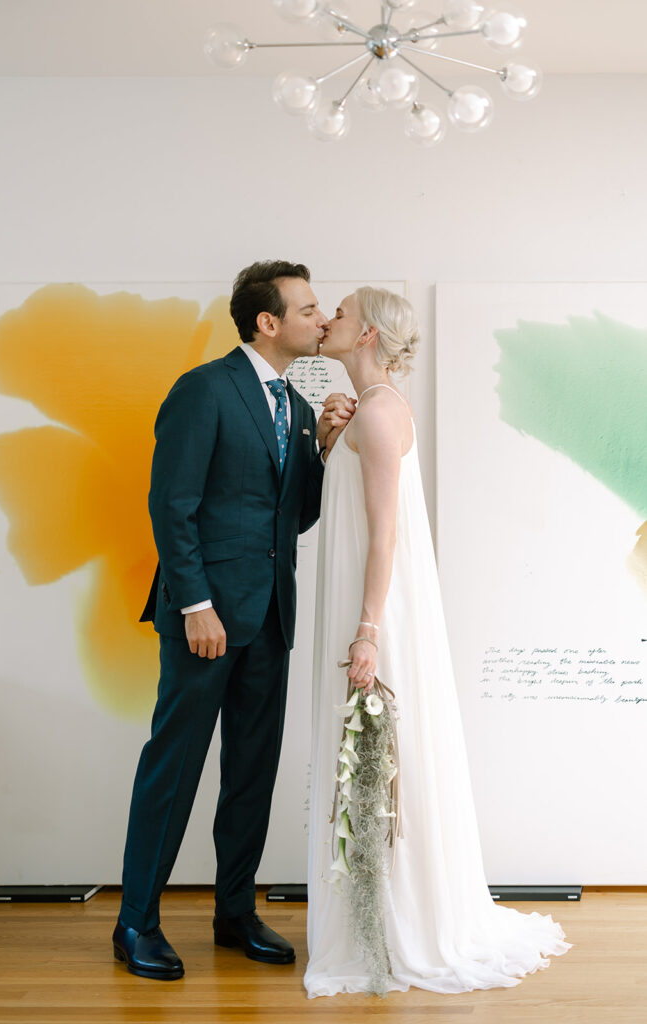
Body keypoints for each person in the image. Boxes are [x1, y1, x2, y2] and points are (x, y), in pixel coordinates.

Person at [304, 287, 572, 997]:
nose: (327, 317)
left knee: (379, 757)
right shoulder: (366, 411)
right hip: (358, 609)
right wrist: (328, 438)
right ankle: (372, 919)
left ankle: (397, 926)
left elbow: (384, 534)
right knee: (365, 760)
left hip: (374, 617)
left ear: (364, 335)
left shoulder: (385, 412)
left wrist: (366, 631)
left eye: (341, 310)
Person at [112, 260, 354, 980]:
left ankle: (234, 913)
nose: (319, 319)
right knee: (175, 766)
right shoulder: (203, 390)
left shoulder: (299, 408)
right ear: (266, 322)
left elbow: (296, 515)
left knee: (251, 771)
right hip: (205, 618)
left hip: (271, 614)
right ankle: (135, 925)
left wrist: (326, 449)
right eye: (307, 309)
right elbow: (172, 505)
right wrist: (194, 605)